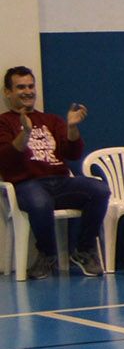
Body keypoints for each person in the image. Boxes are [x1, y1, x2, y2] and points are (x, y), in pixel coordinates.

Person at [2, 67, 109, 277]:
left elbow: (73, 153)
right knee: (40, 202)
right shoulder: (3, 122)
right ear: (8, 92)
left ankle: (84, 250)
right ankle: (47, 255)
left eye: (31, 86)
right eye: (20, 87)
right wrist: (25, 133)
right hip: (27, 184)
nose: (27, 91)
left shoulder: (51, 120)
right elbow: (6, 159)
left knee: (99, 189)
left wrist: (71, 128)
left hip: (60, 181)